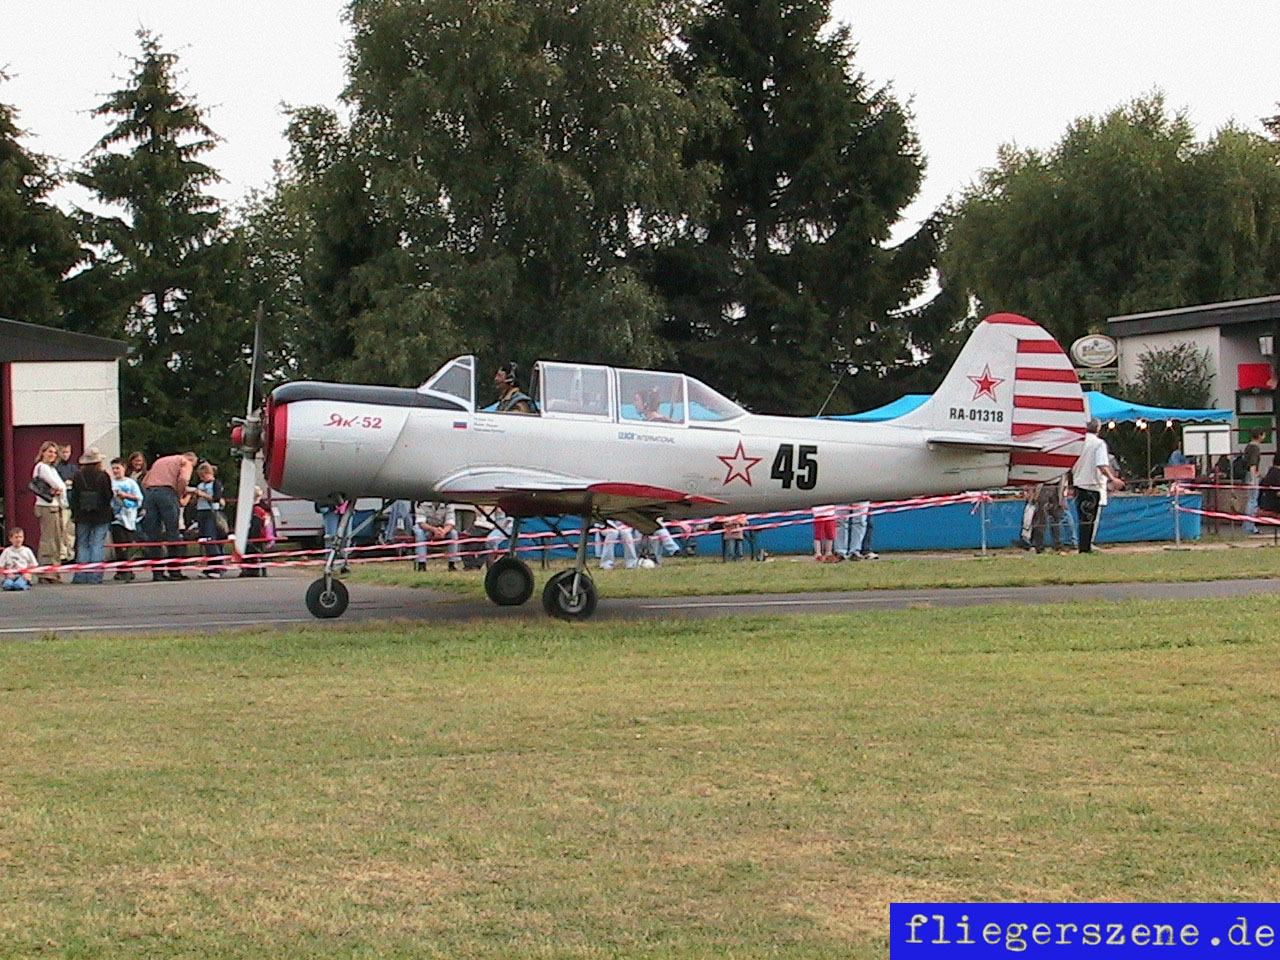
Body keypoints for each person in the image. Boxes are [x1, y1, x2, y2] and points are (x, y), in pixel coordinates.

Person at [140, 451, 198, 580]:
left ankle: (157, 573)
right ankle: (174, 571)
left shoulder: (160, 461)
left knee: (153, 534)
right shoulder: (185, 462)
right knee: (173, 532)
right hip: (167, 493)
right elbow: (183, 479)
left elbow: (144, 482)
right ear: (192, 460)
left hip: (151, 493)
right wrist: (179, 494)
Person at [1071, 418, 1124, 553]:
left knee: (1083, 517)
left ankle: (1084, 546)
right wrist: (1113, 479)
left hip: (1078, 482)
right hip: (1092, 483)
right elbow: (1101, 464)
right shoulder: (1098, 443)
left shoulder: (1079, 442)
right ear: (1098, 429)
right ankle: (1086, 547)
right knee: (1090, 517)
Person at [69, 446, 115, 584]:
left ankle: (81, 576)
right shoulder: (103, 475)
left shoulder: (78, 475)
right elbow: (108, 495)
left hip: (82, 514)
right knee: (97, 544)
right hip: (101, 514)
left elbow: (74, 497)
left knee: (82, 544)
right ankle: (95, 576)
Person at [31, 441, 69, 583]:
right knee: (49, 541)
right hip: (47, 507)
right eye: (49, 452)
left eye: (54, 452)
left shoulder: (52, 469)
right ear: (42, 452)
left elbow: (61, 487)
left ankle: (54, 571)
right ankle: (46, 572)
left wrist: (61, 489)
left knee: (57, 540)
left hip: (55, 505)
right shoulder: (42, 467)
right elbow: (58, 485)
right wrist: (60, 488)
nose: (52, 455)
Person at [108, 457, 143, 581]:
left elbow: (139, 498)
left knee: (128, 545)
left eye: (118, 468)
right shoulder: (110, 482)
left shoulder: (131, 483)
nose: (115, 471)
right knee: (119, 545)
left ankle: (129, 568)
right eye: (113, 469)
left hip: (130, 517)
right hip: (116, 518)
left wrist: (126, 495)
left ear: (124, 468)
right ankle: (121, 570)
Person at [192, 462, 227, 577]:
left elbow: (216, 498)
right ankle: (211, 565)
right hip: (201, 512)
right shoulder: (201, 485)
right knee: (204, 539)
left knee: (210, 538)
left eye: (203, 476)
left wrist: (203, 494)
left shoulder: (215, 484)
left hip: (211, 512)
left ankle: (218, 567)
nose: (202, 478)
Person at [414, 501, 457, 571]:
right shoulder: (421, 502)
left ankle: (452, 564)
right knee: (419, 533)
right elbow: (421, 523)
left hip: (442, 529)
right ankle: (421, 564)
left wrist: (443, 532)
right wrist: (434, 530)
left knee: (453, 533)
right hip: (425, 529)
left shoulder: (449, 504)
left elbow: (450, 522)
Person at [55, 443, 78, 562]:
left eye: (67, 452)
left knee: (70, 530)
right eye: (63, 452)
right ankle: (62, 553)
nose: (65, 455)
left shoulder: (73, 468)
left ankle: (71, 553)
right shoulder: (56, 468)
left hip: (71, 502)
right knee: (61, 528)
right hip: (61, 502)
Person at [1241, 429, 1265, 535]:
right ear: (1260, 435)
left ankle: (1247, 525)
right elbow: (1252, 464)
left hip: (1248, 474)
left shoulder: (1248, 447)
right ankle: (1250, 527)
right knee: (1252, 501)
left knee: (1250, 501)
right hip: (1252, 475)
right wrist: (1253, 477)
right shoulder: (1255, 448)